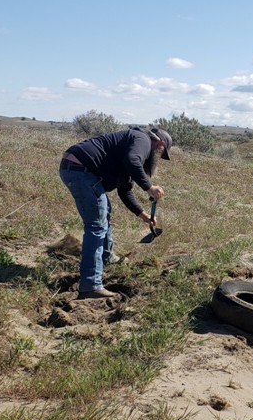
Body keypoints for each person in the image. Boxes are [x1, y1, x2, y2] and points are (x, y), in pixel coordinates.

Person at [59, 126, 172, 299]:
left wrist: (144, 215)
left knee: (104, 211)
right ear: (160, 144)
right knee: (96, 226)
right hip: (81, 169)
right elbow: (132, 160)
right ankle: (90, 284)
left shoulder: (130, 146)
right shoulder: (142, 139)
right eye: (160, 153)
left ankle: (106, 256)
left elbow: (124, 190)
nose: (157, 158)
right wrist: (149, 187)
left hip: (75, 167)